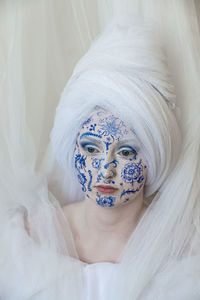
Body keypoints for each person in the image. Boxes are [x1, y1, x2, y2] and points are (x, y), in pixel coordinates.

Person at [0, 2, 200, 300]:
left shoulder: (185, 253)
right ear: (73, 147)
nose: (106, 169)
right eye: (92, 149)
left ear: (154, 156)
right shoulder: (27, 239)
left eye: (126, 153)